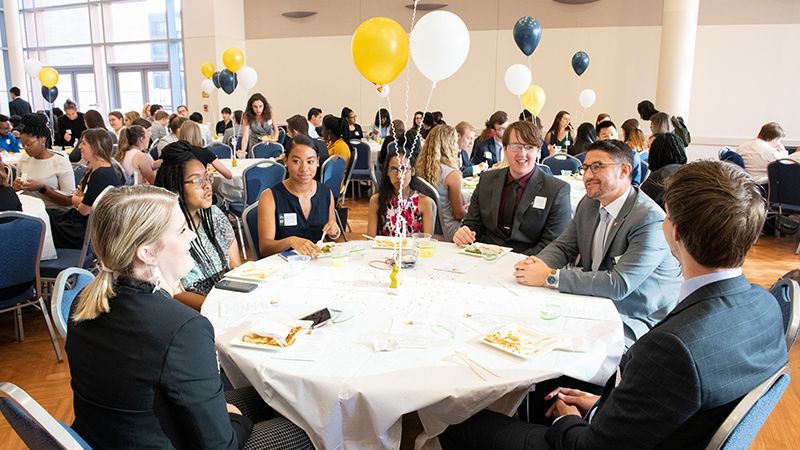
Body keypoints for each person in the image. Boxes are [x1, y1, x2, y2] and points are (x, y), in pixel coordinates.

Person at [441, 160, 788, 450]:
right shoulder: (766, 305)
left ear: (676, 232)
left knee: (459, 424)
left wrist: (568, 420)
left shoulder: (673, 349)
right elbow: (677, 405)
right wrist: (602, 406)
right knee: (551, 387)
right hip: (658, 430)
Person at [66, 184, 312, 450]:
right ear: (147, 253)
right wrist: (234, 419)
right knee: (308, 428)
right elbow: (220, 446)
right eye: (182, 230)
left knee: (275, 399)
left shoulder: (84, 302)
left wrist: (222, 412)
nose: (192, 236)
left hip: (111, 437)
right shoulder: (183, 327)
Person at [517, 139, 682, 344]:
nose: (587, 175)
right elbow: (563, 246)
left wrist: (549, 276)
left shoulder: (648, 219)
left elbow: (619, 285)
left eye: (597, 167)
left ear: (624, 171)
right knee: (529, 326)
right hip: (594, 302)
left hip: (636, 315)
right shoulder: (589, 204)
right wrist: (538, 264)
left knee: (560, 345)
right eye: (586, 167)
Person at [454, 121, 572, 255]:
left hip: (529, 263)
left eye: (529, 147)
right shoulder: (487, 180)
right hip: (485, 258)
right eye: (515, 146)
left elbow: (552, 244)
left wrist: (514, 262)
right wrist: (464, 233)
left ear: (538, 151)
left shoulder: (556, 190)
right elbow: (473, 224)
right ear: (505, 149)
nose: (522, 154)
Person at [154, 142, 242, 310]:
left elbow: (235, 265)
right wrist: (220, 307)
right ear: (175, 186)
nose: (207, 185)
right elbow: (175, 293)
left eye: (207, 177)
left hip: (231, 302)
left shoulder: (214, 215)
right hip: (195, 313)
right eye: (196, 180)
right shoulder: (164, 233)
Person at [257, 135, 340, 257]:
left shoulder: (326, 193)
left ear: (317, 161)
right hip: (283, 268)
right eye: (296, 161)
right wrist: (289, 241)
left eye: (310, 161)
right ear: (286, 161)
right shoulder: (270, 197)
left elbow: (330, 241)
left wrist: (334, 233)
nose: (304, 168)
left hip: (317, 266)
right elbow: (265, 249)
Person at [48, 129, 124, 248]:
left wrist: (76, 200)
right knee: (50, 213)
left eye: (83, 143)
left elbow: (84, 210)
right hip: (90, 223)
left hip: (88, 230)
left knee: (44, 220)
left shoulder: (100, 175)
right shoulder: (100, 169)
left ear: (95, 147)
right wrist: (80, 199)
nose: (79, 147)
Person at [416, 124, 468, 241]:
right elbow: (458, 214)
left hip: (428, 227)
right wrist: (472, 213)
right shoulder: (452, 174)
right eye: (455, 142)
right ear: (449, 145)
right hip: (449, 229)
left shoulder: (420, 168)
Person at [367, 149, 434, 237]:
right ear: (387, 172)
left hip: (414, 250)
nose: (399, 176)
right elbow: (370, 240)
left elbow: (427, 242)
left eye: (404, 169)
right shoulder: (376, 200)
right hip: (385, 250)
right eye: (394, 169)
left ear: (412, 171)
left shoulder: (424, 202)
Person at [13, 114, 75, 208]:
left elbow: (69, 201)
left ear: (43, 140)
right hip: (29, 210)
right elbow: (16, 190)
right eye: (23, 145)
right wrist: (15, 188)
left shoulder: (60, 162)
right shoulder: (24, 160)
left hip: (54, 213)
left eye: (29, 144)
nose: (25, 148)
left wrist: (42, 189)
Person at [736, 122, 788, 186]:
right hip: (762, 185)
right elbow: (786, 167)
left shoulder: (743, 146)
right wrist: (783, 150)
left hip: (744, 182)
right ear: (775, 139)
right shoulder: (770, 152)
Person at [286, 114, 328, 180]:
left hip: (305, 180)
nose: (288, 135)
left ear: (295, 132)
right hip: (322, 180)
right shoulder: (322, 144)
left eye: (288, 132)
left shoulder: (298, 148)